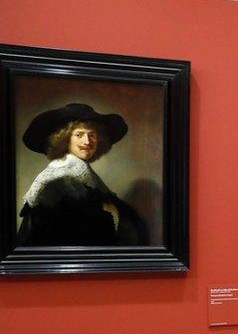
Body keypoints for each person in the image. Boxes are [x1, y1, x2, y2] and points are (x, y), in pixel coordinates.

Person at [17, 103, 147, 246]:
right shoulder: (62, 178)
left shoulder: (84, 174)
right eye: (79, 135)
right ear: (65, 139)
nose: (87, 141)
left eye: (92, 135)